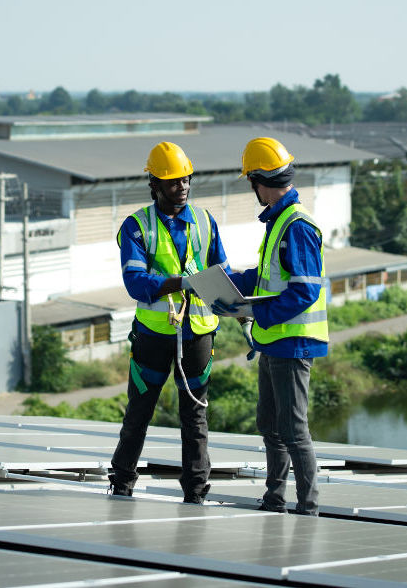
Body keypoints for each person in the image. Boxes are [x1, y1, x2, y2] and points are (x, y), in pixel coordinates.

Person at [109, 141, 237, 504]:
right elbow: (135, 283)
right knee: (139, 413)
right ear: (155, 185)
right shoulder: (137, 227)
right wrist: (180, 283)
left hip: (197, 335)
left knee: (194, 418)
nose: (181, 187)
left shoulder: (205, 221)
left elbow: (222, 274)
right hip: (153, 335)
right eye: (172, 182)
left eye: (186, 180)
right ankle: (121, 482)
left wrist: (239, 308)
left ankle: (196, 492)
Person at [213, 137, 328, 516]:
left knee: (293, 430)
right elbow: (267, 279)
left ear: (260, 181)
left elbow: (305, 292)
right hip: (274, 343)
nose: (253, 191)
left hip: (293, 344)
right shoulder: (280, 222)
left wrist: (256, 313)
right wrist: (224, 283)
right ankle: (275, 498)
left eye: (252, 183)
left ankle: (307, 507)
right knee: (270, 425)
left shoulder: (297, 225)